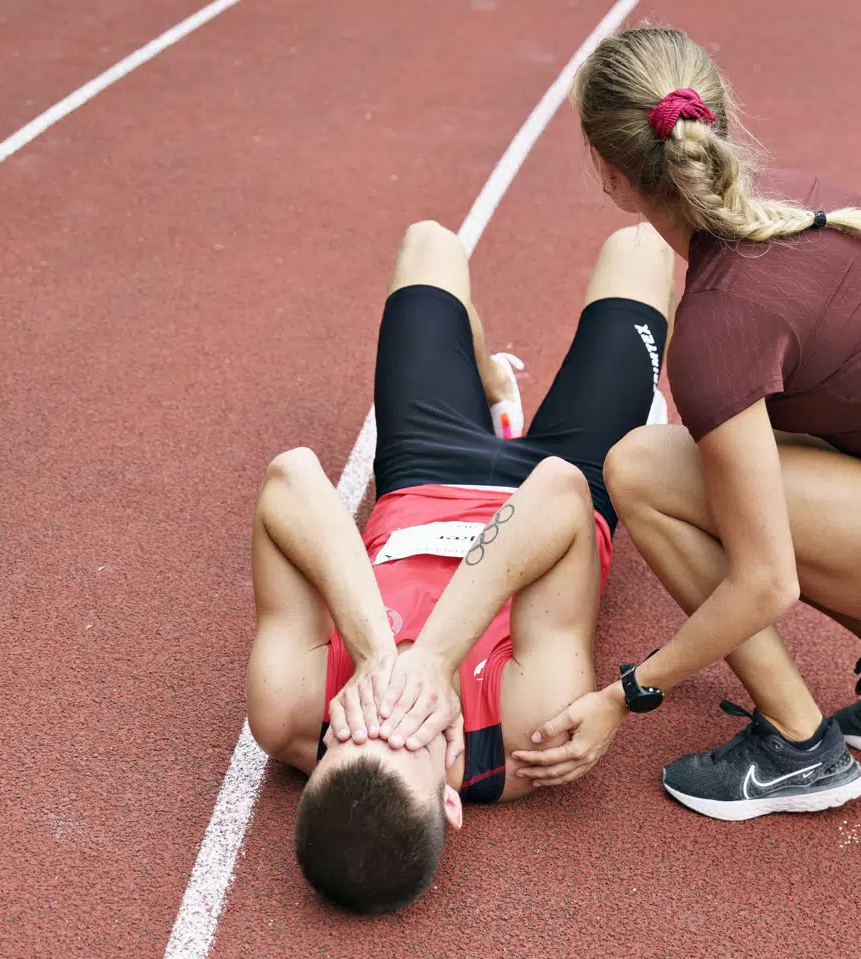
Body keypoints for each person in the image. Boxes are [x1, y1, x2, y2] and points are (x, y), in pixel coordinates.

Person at [498, 26, 861, 822]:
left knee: (640, 474)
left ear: (612, 177)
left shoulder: (718, 325)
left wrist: (625, 694)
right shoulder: (797, 199)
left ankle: (797, 747)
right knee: (719, 469)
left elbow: (769, 579)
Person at [244, 219, 672, 913]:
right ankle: (651, 421)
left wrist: (378, 653)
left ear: (318, 757)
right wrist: (436, 659)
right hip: (562, 482)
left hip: (421, 473)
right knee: (642, 249)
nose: (384, 709)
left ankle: (492, 384)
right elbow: (558, 491)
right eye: (407, 736)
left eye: (352, 733)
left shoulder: (289, 711)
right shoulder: (530, 732)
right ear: (451, 798)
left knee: (428, 241)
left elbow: (290, 478)